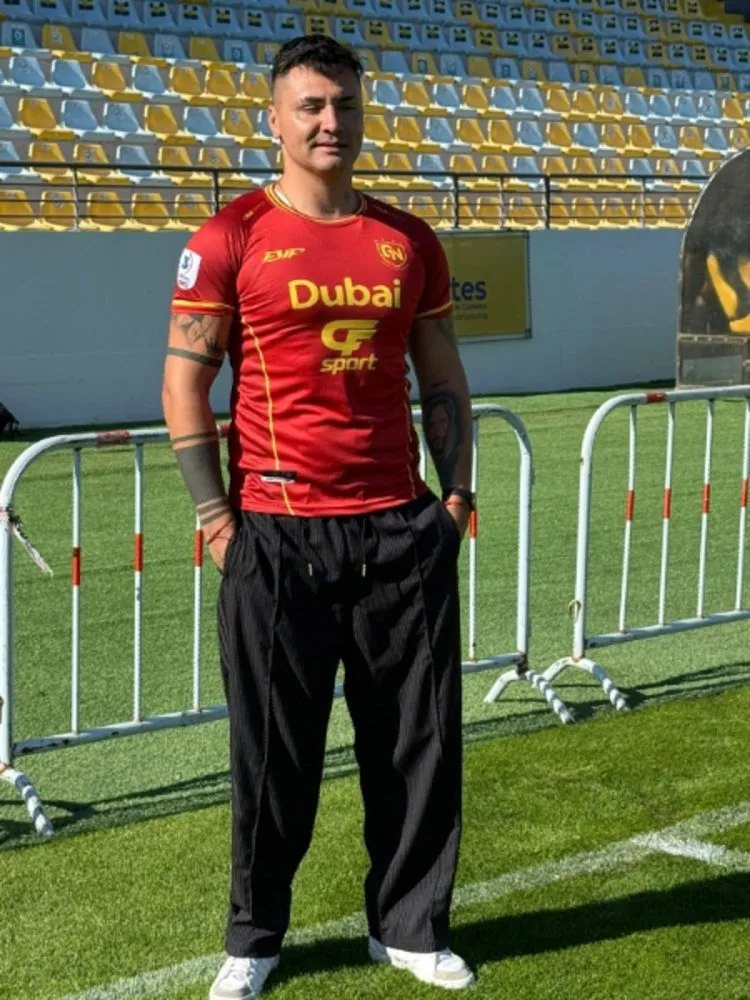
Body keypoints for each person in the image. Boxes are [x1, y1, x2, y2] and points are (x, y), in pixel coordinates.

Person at [161, 34, 477, 1000]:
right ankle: (255, 938)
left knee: (416, 741)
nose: (330, 122)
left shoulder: (407, 239)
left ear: (362, 111)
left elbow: (444, 380)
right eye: (311, 106)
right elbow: (186, 379)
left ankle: (411, 926)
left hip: (398, 528)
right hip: (275, 532)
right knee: (273, 753)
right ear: (276, 117)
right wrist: (217, 515)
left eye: (344, 104)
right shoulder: (230, 237)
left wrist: (454, 494)